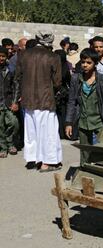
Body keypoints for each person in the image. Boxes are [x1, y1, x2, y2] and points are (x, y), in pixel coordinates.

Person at [14, 31, 62, 172]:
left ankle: (33, 159)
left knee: (31, 132)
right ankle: (47, 162)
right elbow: (57, 82)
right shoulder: (53, 57)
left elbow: (17, 78)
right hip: (45, 100)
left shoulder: (23, 55)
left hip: (28, 100)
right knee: (48, 132)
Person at [65, 48, 103, 165]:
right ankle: (84, 172)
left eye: (88, 62)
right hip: (83, 121)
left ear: (95, 63)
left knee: (102, 151)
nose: (85, 65)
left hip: (99, 121)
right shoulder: (76, 79)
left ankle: (102, 174)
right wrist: (68, 122)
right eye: (83, 62)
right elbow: (72, 101)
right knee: (85, 152)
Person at [0, 46, 19, 158]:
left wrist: (15, 101)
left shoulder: (11, 69)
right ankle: (3, 147)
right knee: (0, 126)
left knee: (14, 123)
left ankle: (10, 143)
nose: (1, 58)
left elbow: (16, 86)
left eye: (3, 56)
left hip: (8, 101)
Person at [54, 49, 72, 139]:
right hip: (64, 94)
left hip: (55, 93)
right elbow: (69, 81)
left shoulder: (54, 68)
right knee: (63, 113)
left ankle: (59, 132)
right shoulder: (66, 67)